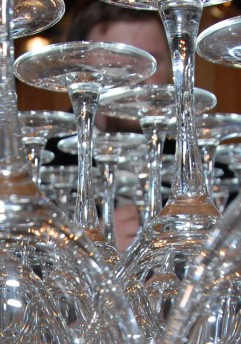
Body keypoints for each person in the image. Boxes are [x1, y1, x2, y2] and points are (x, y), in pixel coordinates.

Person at [63, 1, 172, 250]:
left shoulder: (209, 170)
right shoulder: (31, 165)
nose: (138, 79)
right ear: (77, 74)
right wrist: (85, 252)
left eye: (152, 62)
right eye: (116, 64)